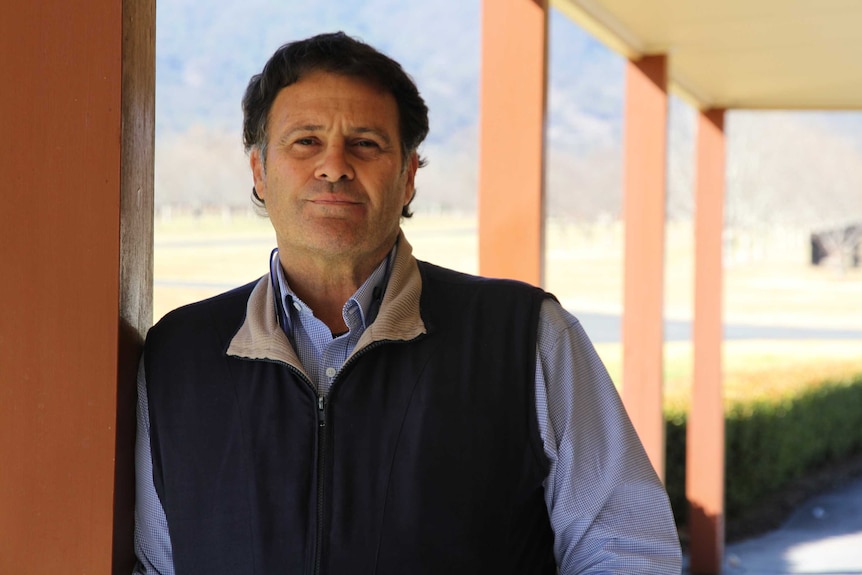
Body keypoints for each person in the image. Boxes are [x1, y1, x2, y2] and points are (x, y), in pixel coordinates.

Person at [134, 31, 681, 574]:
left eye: (366, 143)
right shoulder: (179, 355)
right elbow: (154, 563)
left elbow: (629, 552)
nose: (334, 166)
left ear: (408, 176)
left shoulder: (525, 338)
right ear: (259, 170)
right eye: (305, 141)